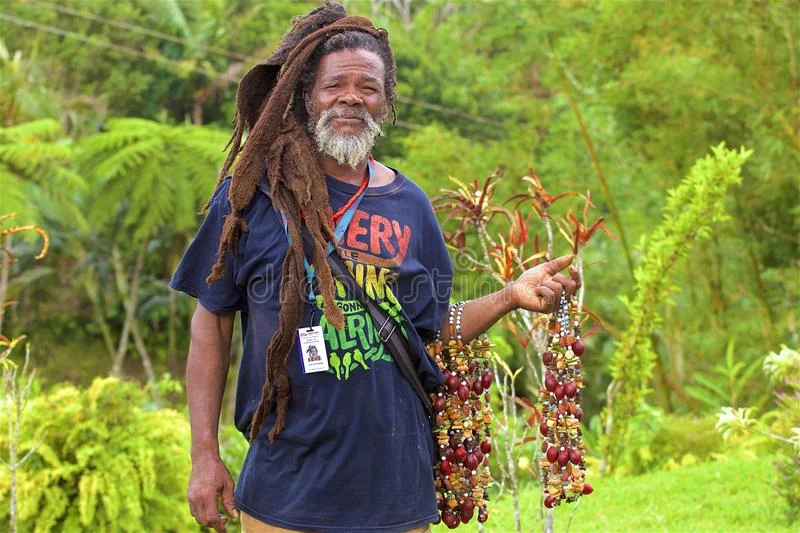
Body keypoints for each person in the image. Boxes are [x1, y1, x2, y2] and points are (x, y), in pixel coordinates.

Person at [170, 2, 581, 532]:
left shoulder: (409, 204)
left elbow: (434, 323)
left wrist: (509, 296)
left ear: (385, 103)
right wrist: (204, 455)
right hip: (285, 483)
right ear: (307, 96)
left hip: (395, 483)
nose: (351, 98)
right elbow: (212, 323)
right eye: (335, 85)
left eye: (368, 87)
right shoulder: (254, 195)